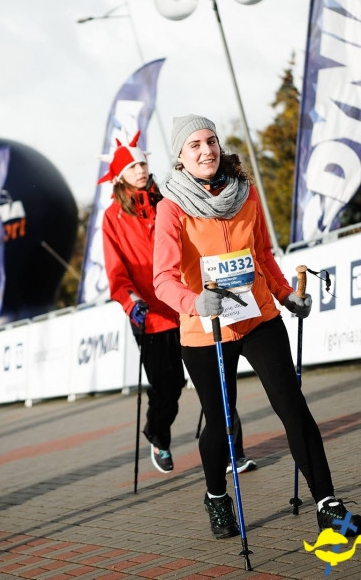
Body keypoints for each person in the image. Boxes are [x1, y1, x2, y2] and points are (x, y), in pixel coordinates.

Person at [152, 115, 361, 539]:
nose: (205, 150)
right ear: (180, 157)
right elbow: (163, 278)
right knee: (222, 423)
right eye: (193, 144)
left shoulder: (244, 195)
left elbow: (263, 256)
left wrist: (286, 295)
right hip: (205, 329)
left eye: (210, 141)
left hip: (257, 318)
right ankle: (216, 497)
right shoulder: (171, 208)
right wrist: (194, 302)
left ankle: (327, 505)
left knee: (293, 408)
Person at [100, 132, 258, 475]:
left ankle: (233, 450)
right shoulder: (112, 217)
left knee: (218, 378)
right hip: (151, 315)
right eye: (132, 166)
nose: (141, 170)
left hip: (192, 303)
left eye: (143, 162)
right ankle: (158, 434)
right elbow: (116, 272)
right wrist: (132, 304)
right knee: (168, 386)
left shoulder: (171, 197)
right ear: (119, 176)